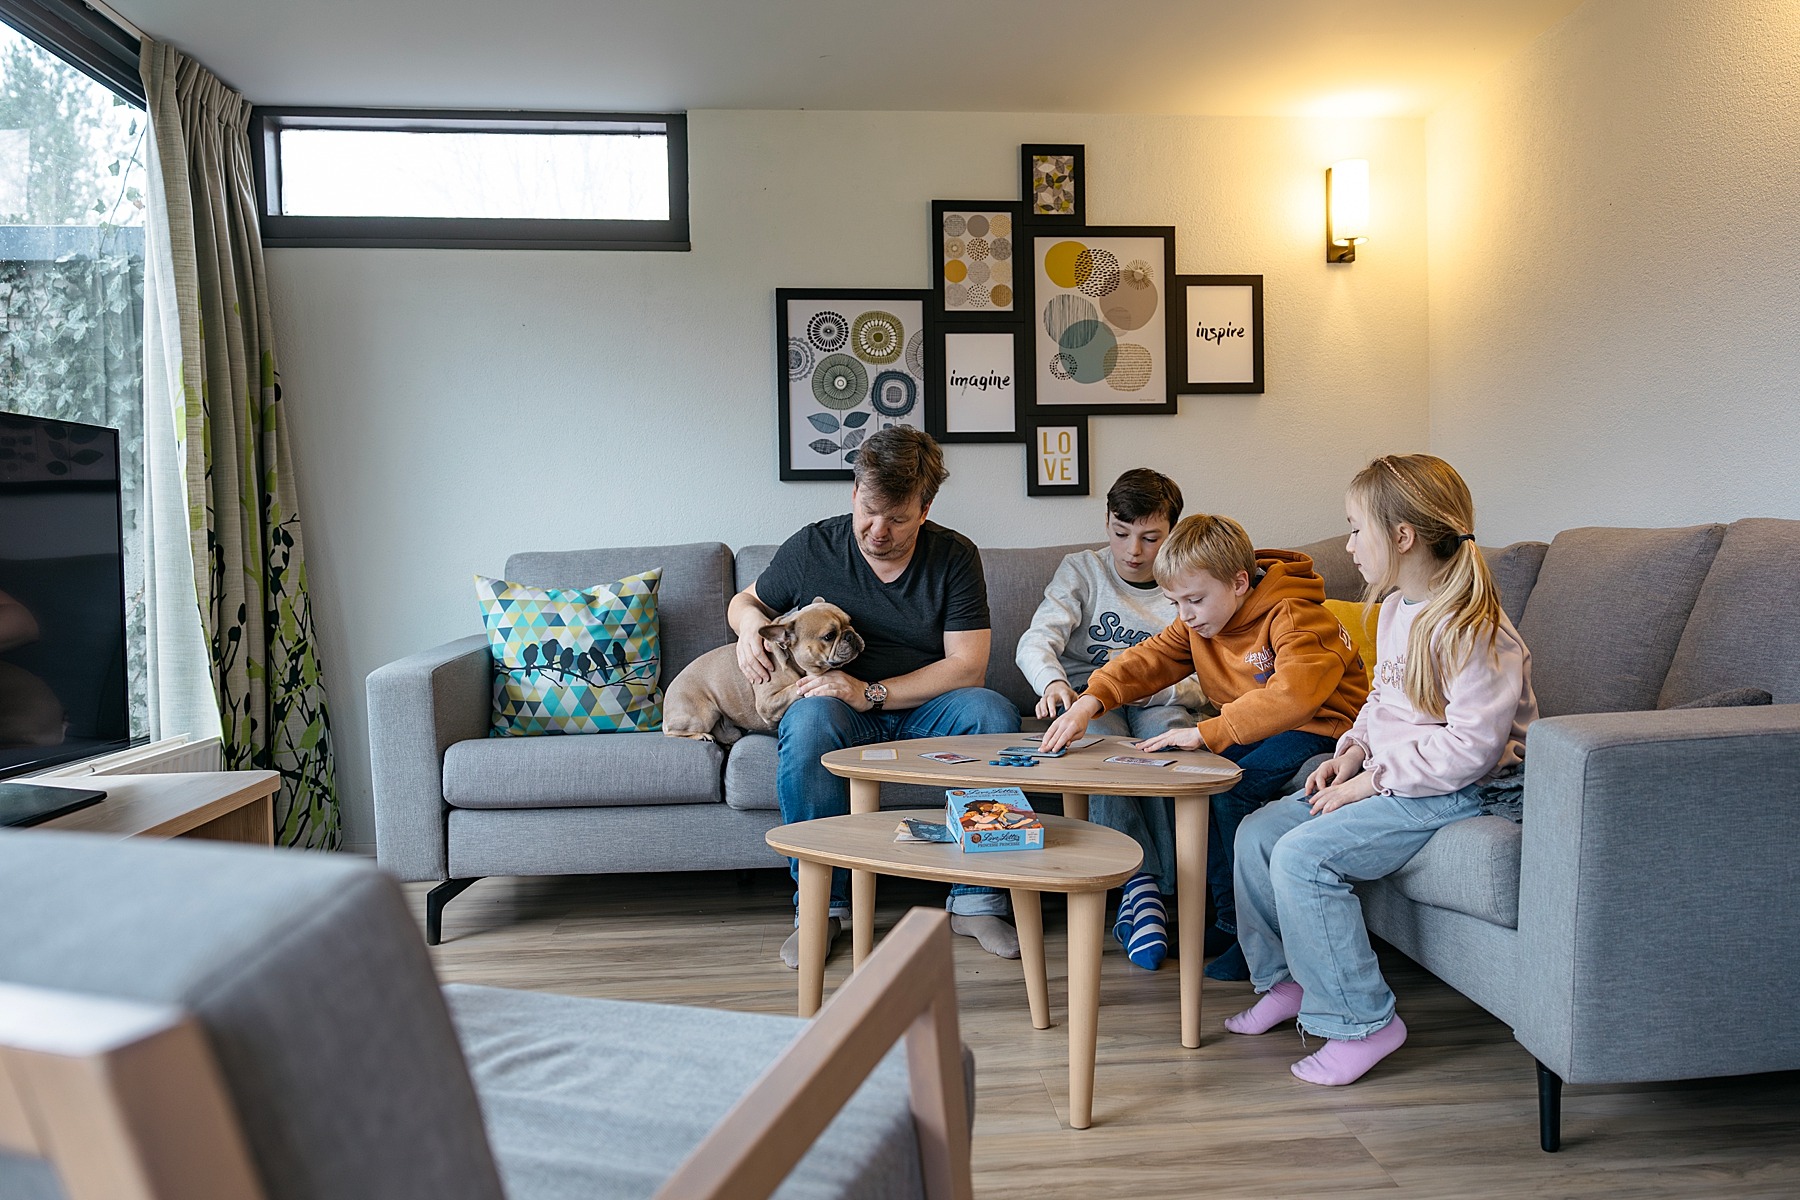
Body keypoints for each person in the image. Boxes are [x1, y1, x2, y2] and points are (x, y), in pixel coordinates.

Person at [1223, 454, 1538, 1086]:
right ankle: (1287, 981)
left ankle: (1361, 1022)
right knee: (1257, 834)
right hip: (1396, 772)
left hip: (1470, 788)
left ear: (1402, 537)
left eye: (1355, 528)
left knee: (1304, 856)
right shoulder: (1396, 610)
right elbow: (1380, 702)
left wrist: (1373, 781)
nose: (1348, 544)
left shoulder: (1474, 629)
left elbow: (1470, 752)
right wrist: (1351, 754)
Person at [728, 426, 1022, 968]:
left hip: (923, 706)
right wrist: (749, 627)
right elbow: (746, 601)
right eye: (868, 510)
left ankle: (979, 900)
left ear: (926, 509)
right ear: (854, 492)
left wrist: (873, 692)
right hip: (839, 711)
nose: (877, 530)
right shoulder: (814, 546)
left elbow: (968, 665)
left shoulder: (955, 556)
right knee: (810, 719)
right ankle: (822, 908)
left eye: (898, 518)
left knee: (994, 713)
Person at [1039, 512, 1369, 980]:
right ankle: (1221, 919)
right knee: (1200, 784)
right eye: (1174, 603)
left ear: (1238, 582)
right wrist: (1089, 702)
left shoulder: (1296, 613)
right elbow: (1149, 658)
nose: (1185, 615)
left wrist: (1204, 733)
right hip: (1256, 727)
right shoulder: (1197, 622)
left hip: (1321, 726)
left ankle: (1247, 934)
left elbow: (1294, 697)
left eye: (1194, 600)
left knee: (1234, 788)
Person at [1015, 469, 1206, 970]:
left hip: (1159, 699)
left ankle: (1171, 888)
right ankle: (1140, 887)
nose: (1133, 550)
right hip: (1088, 700)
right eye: (1121, 533)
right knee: (1099, 746)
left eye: (1150, 537)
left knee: (1169, 744)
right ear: (1106, 522)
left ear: (1173, 533)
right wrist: (1054, 683)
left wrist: (1149, 690)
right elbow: (1037, 640)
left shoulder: (1184, 581)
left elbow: (1206, 675)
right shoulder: (1081, 570)